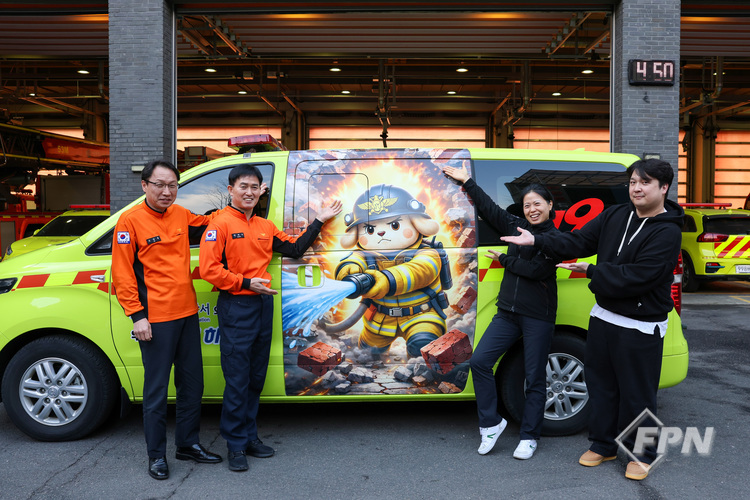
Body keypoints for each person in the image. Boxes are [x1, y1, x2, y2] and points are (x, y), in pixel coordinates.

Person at [501, 158, 683, 480]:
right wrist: (538, 240)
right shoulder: (616, 214)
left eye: (645, 183)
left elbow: (639, 276)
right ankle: (603, 444)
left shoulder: (668, 231)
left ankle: (642, 454)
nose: (636, 188)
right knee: (601, 387)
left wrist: (592, 271)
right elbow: (578, 241)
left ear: (663, 188)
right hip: (604, 317)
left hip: (640, 325)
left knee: (637, 394)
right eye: (633, 182)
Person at [199, 164, 342, 472]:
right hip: (237, 305)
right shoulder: (219, 224)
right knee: (237, 378)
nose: (249, 192)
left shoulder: (265, 226)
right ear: (231, 190)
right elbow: (209, 270)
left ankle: (250, 437)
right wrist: (245, 282)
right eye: (243, 186)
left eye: (254, 187)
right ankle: (235, 444)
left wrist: (319, 219)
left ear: (260, 191)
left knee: (255, 377)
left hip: (263, 305)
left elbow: (295, 249)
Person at [112, 159, 222, 480]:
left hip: (187, 314)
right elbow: (122, 275)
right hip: (155, 321)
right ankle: (156, 456)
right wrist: (137, 316)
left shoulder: (181, 214)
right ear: (144, 185)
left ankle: (187, 444)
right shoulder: (129, 222)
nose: (166, 191)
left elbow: (211, 222)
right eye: (159, 184)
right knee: (157, 391)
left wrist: (244, 201)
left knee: (192, 385)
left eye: (172, 185)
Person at [443, 164, 560, 460]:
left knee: (534, 377)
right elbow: (490, 209)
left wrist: (505, 260)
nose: (532, 209)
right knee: (480, 362)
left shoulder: (555, 239)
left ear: (549, 205)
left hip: (537, 316)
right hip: (507, 313)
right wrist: (467, 181)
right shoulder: (515, 226)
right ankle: (491, 423)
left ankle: (529, 436)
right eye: (527, 205)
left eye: (537, 204)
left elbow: (535, 270)